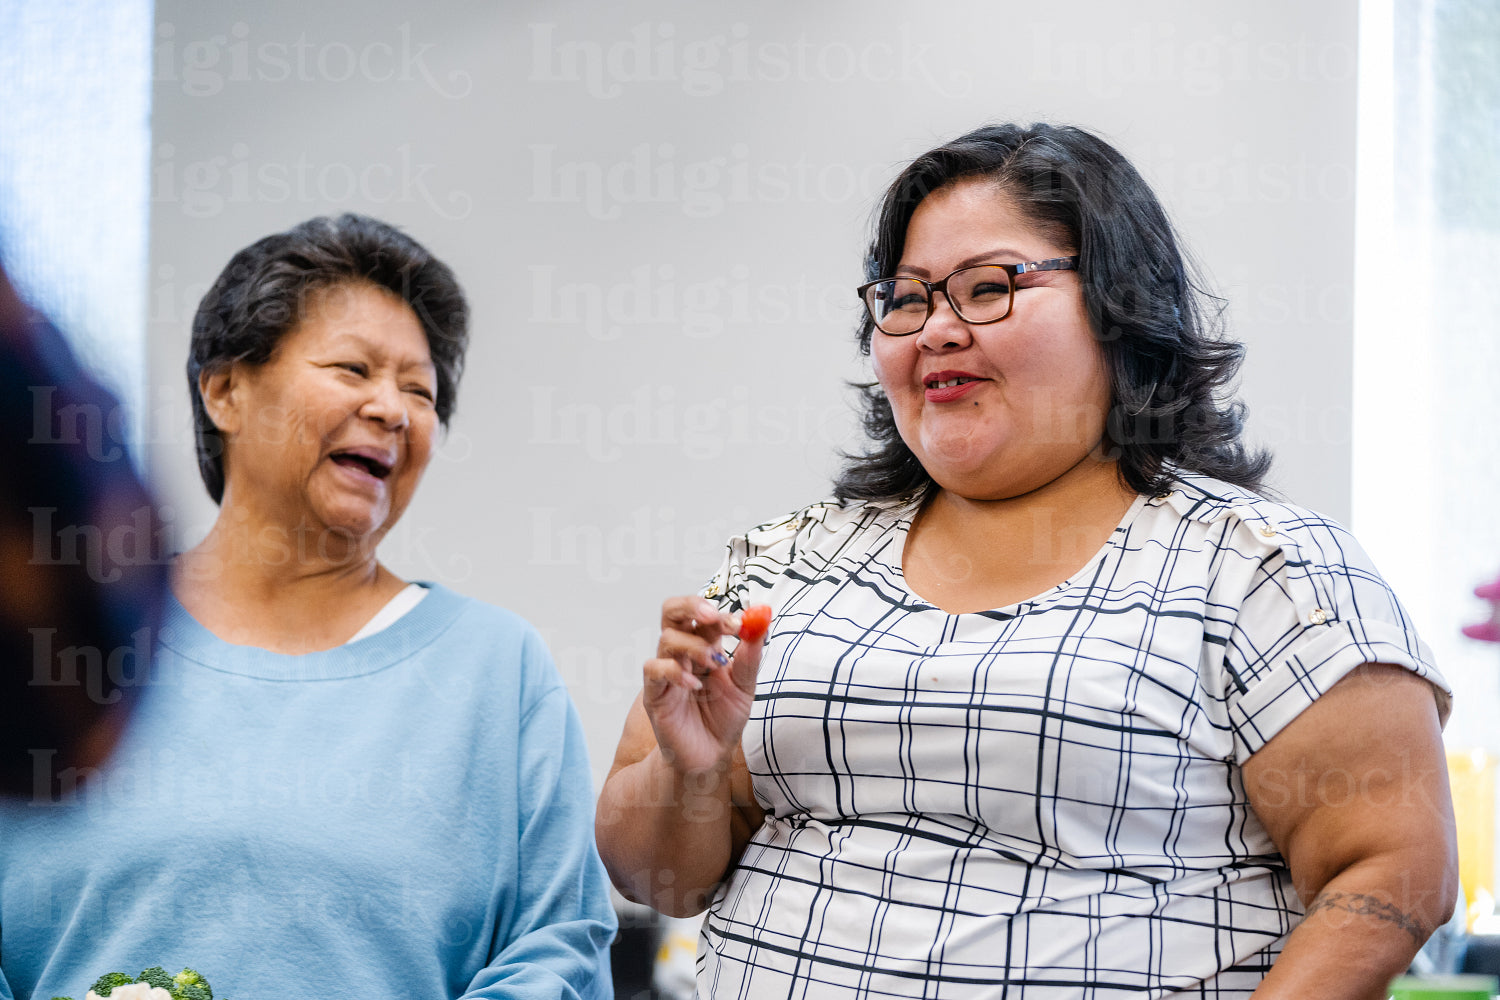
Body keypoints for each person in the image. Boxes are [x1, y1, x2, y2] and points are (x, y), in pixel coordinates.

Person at [596, 124, 1457, 998]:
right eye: (907, 298)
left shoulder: (1260, 566)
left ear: (1120, 306)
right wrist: (690, 774)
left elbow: (1390, 871)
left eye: (987, 287)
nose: (936, 329)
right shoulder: (782, 562)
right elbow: (657, 880)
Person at [0, 214, 616, 1000]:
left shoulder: (497, 669)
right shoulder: (73, 638)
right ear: (224, 389)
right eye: (353, 369)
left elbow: (558, 947)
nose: (392, 409)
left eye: (419, 390)